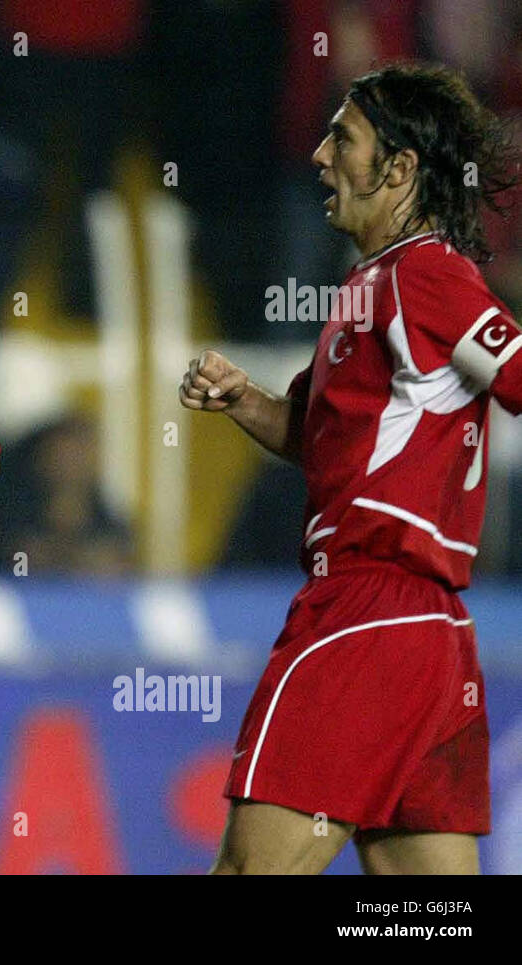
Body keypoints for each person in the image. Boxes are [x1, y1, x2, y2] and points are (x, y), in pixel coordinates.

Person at [182, 62, 521, 874]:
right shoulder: (373, 286)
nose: (320, 156)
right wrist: (245, 399)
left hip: (366, 612)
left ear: (399, 168)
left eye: (343, 139)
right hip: (431, 635)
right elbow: (323, 438)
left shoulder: (425, 276)